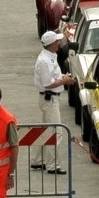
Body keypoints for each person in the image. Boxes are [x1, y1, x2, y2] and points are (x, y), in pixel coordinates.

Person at [34, 32, 75, 174]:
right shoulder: (45, 61)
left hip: (50, 98)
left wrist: (63, 78)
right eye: (57, 41)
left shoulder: (50, 57)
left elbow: (54, 77)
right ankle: (52, 165)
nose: (59, 43)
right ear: (52, 44)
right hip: (50, 99)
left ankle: (37, 160)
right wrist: (64, 81)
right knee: (56, 132)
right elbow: (48, 83)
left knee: (45, 131)